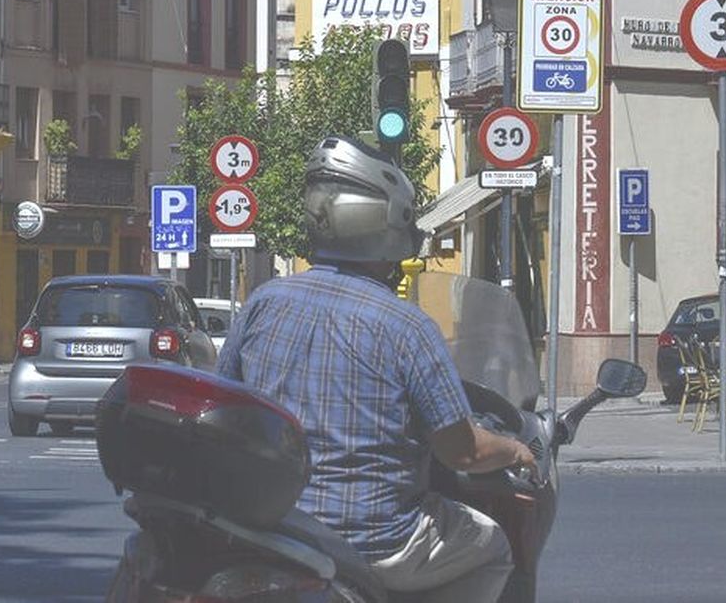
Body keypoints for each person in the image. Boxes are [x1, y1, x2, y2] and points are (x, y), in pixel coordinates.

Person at [217, 137, 533, 601]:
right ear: (383, 223)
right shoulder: (406, 326)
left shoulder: (263, 302)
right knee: (493, 545)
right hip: (377, 540)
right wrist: (515, 450)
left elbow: (227, 404)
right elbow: (462, 453)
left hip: (276, 526)